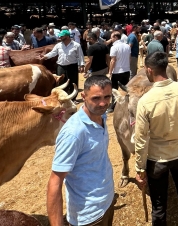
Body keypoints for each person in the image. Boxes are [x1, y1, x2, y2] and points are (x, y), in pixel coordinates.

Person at [135, 52, 178, 226]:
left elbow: (141, 140)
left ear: (149, 70)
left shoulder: (145, 101)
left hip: (157, 160)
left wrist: (140, 169)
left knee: (158, 205)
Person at [47, 75, 116, 226]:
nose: (103, 103)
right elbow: (55, 182)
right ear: (83, 96)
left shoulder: (100, 115)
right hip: (88, 216)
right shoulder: (74, 133)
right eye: (96, 98)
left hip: (107, 201)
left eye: (107, 97)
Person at [41, 30, 84, 95]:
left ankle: (73, 98)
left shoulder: (76, 45)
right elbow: (53, 53)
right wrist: (45, 56)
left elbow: (80, 55)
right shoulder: (58, 45)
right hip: (61, 66)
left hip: (72, 66)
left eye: (61, 36)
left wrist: (82, 65)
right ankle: (63, 96)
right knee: (61, 82)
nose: (60, 38)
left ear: (67, 36)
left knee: (73, 82)